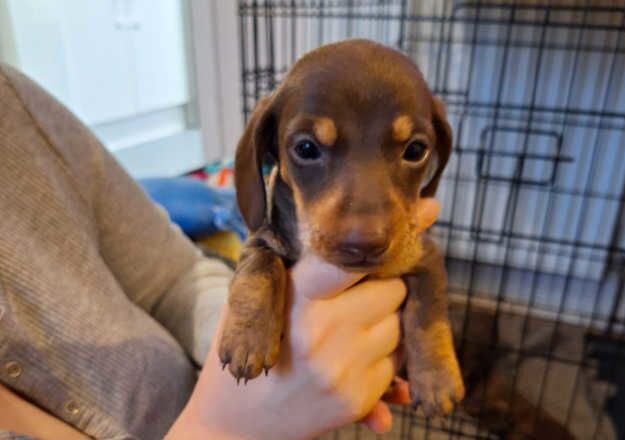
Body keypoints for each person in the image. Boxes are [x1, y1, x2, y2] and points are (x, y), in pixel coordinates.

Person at [0, 63, 440, 439]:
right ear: (268, 156)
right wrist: (225, 424)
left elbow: (173, 279)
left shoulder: (15, 104)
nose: (366, 231)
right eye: (307, 149)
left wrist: (290, 358)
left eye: (413, 150)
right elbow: (261, 247)